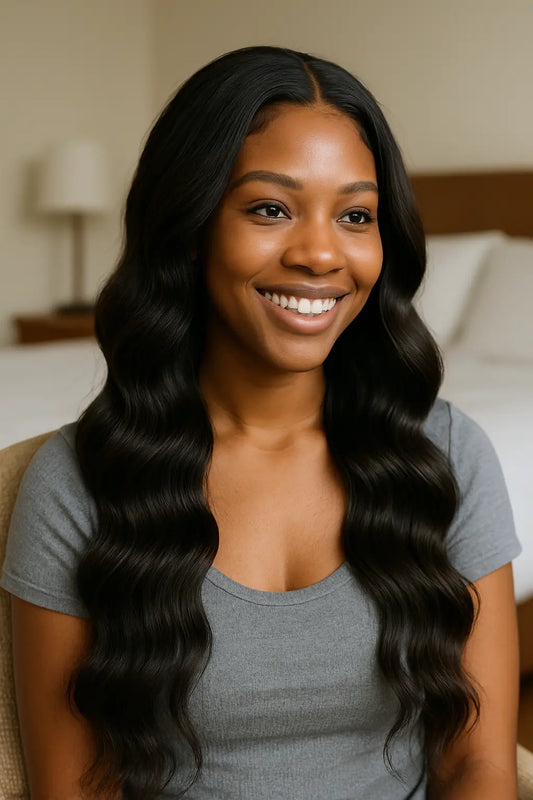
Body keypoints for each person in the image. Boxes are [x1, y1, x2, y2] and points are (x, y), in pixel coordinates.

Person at [0, 45, 522, 800]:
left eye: (355, 215)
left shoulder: (444, 455)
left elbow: (475, 763)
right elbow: (77, 787)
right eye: (269, 208)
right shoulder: (80, 482)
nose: (318, 254)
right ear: (190, 223)